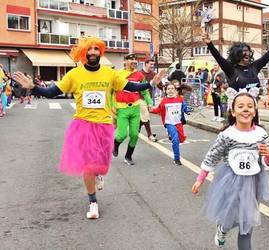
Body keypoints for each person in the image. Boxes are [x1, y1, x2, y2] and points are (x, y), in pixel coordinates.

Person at [13, 37, 163, 219]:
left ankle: (99, 173)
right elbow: (52, 92)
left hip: (105, 126)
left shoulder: (109, 73)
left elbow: (131, 86)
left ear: (100, 51)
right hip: (83, 125)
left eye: (96, 49)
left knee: (101, 163)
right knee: (88, 166)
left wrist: (151, 83)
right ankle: (93, 202)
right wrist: (33, 88)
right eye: (89, 49)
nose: (93, 52)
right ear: (83, 52)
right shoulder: (74, 75)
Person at [191, 91, 269, 249]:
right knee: (230, 217)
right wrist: (200, 179)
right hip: (231, 181)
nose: (245, 109)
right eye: (241, 106)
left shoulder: (261, 134)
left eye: (250, 106)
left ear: (255, 111)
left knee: (247, 221)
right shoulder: (227, 135)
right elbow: (212, 156)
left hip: (254, 181)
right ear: (233, 111)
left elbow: (266, 159)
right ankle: (223, 228)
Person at [202, 23, 269, 91]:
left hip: (252, 111)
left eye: (248, 51)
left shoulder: (254, 67)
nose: (247, 54)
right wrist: (209, 44)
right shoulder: (231, 69)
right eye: (243, 51)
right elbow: (218, 57)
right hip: (237, 112)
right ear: (236, 54)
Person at [112, 53, 153, 166]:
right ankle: (115, 145)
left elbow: (144, 90)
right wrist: (112, 105)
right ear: (125, 61)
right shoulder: (118, 74)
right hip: (122, 108)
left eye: (135, 60)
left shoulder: (139, 75)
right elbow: (111, 91)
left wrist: (149, 102)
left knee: (135, 134)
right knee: (122, 135)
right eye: (131, 60)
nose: (134, 62)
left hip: (135, 107)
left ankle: (128, 156)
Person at [151, 82, 188, 166]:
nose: (170, 90)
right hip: (169, 123)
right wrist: (150, 109)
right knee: (175, 140)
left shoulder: (180, 99)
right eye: (168, 89)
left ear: (175, 90)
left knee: (181, 139)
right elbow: (158, 110)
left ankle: (178, 140)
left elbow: (184, 107)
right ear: (166, 91)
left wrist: (187, 111)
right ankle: (177, 159)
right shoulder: (164, 101)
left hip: (178, 123)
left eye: (172, 89)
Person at [140, 58, 158, 142]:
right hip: (140, 98)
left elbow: (159, 84)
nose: (152, 66)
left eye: (153, 65)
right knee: (145, 116)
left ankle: (136, 131)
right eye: (150, 64)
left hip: (148, 98)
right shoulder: (139, 74)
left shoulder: (154, 74)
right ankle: (150, 135)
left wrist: (166, 88)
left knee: (143, 117)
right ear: (145, 64)